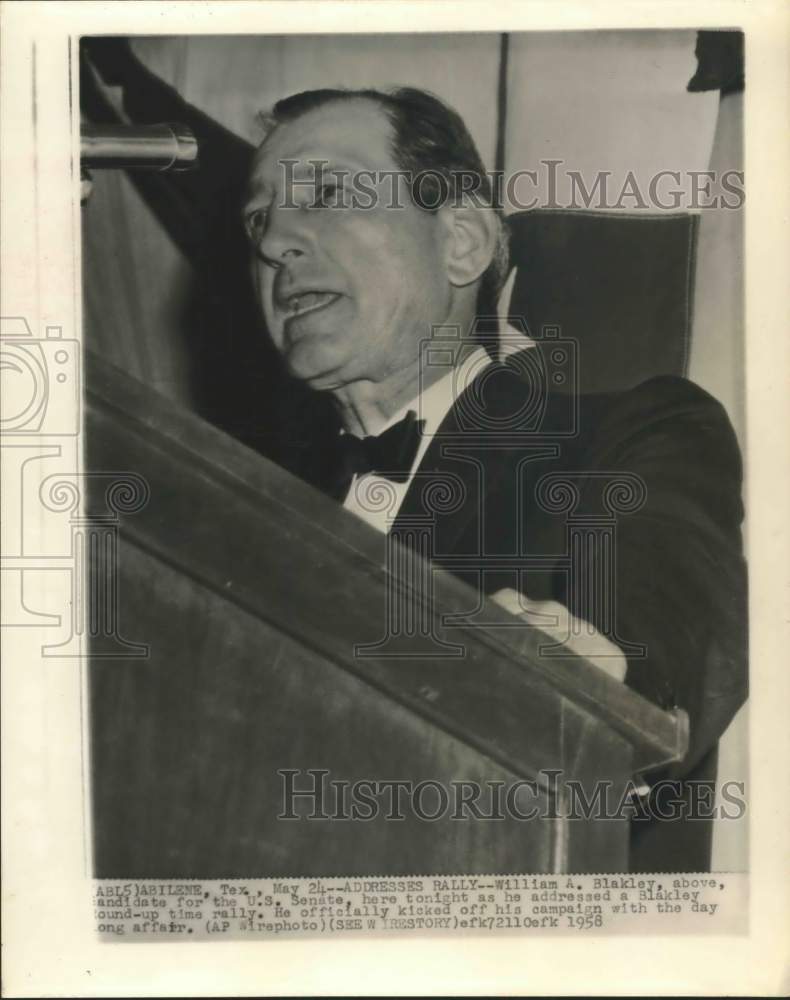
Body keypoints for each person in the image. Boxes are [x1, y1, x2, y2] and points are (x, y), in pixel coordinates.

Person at [243, 86, 748, 871]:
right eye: (256, 219)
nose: (275, 238)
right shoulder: (235, 510)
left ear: (463, 244)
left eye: (328, 192)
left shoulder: (626, 437)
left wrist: (617, 675)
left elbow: (663, 612)